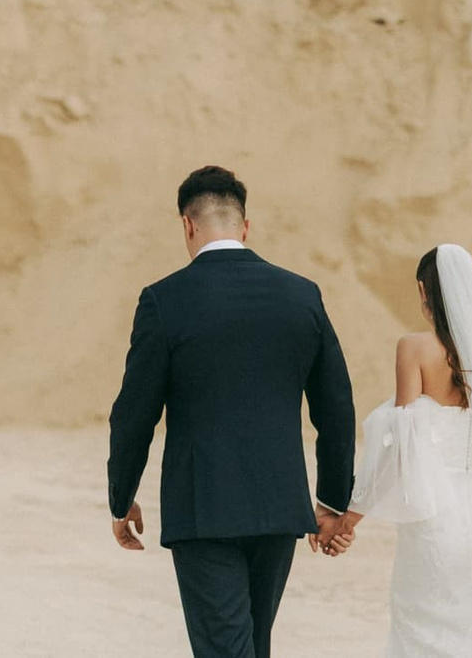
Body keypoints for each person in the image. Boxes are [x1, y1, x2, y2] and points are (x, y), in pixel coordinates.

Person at [106, 165, 356, 658]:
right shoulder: (301, 294)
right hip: (280, 505)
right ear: (245, 226)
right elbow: (336, 406)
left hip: (203, 509)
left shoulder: (163, 300)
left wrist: (122, 496)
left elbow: (133, 414)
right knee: (251, 645)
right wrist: (331, 499)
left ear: (187, 225)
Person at [326, 244, 472, 658]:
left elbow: (400, 448)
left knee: (423, 632)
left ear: (423, 290)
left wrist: (348, 519)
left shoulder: (414, 349)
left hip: (434, 525)